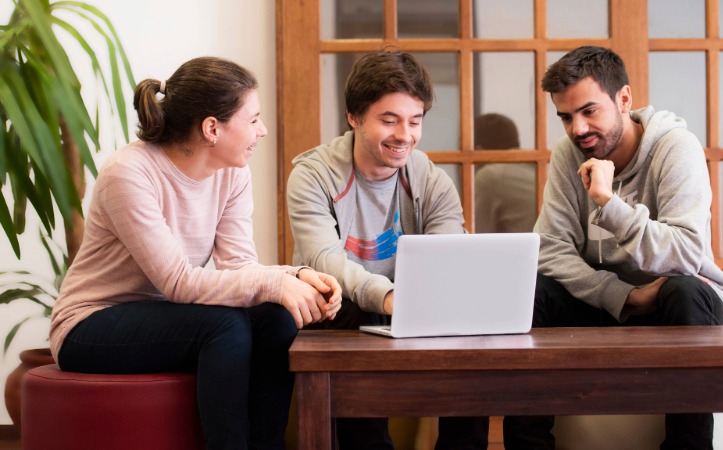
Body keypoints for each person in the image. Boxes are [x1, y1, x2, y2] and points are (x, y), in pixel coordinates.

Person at [50, 56, 342, 450]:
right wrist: (276, 281)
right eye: (253, 120)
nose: (263, 131)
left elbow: (239, 267)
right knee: (224, 326)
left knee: (275, 318)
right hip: (91, 324)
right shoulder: (129, 173)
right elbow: (178, 282)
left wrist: (295, 276)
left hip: (169, 317)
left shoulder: (233, 172)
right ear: (212, 128)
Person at [503, 46, 723, 450]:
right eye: (565, 116)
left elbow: (685, 254)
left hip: (681, 307)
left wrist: (608, 204)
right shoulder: (569, 154)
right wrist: (626, 295)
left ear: (624, 99)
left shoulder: (675, 147)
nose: (578, 129)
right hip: (608, 305)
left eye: (589, 111)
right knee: (532, 289)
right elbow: (549, 249)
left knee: (684, 288)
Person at [286, 50, 488, 450]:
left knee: (474, 339)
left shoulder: (431, 180)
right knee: (346, 304)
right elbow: (325, 262)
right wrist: (391, 296)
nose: (405, 135)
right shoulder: (312, 175)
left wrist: (435, 300)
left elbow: (449, 260)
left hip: (411, 310)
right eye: (389, 120)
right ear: (354, 117)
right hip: (342, 311)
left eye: (415, 121)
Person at [473, 113, 537, 233]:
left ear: (479, 150)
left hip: (527, 251)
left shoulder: (491, 176)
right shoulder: (536, 167)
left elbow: (477, 237)